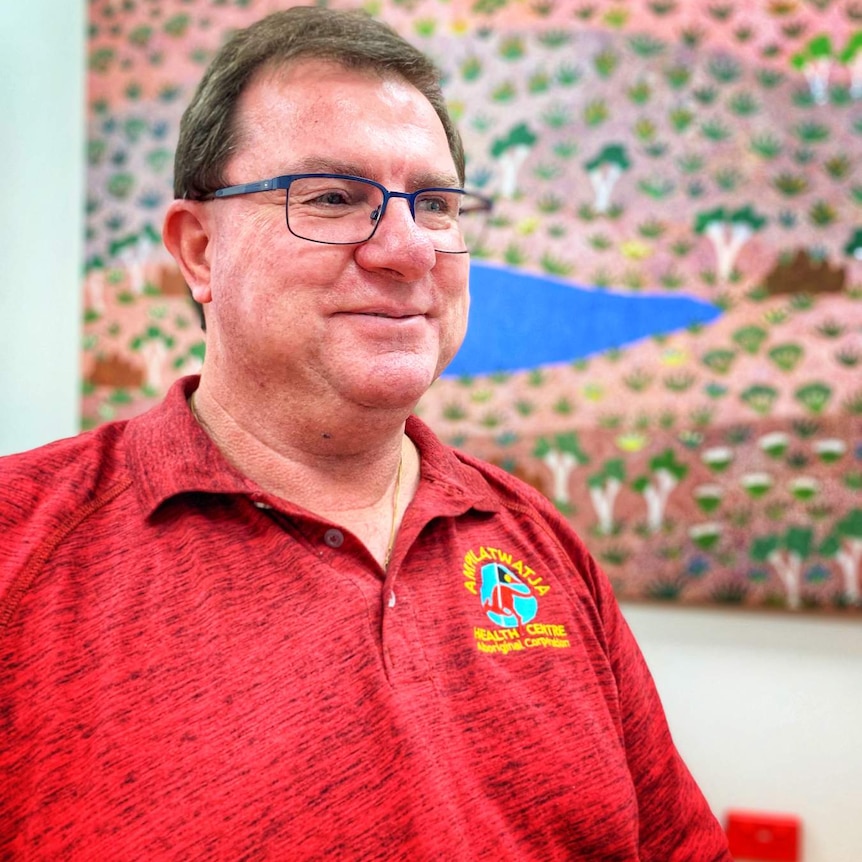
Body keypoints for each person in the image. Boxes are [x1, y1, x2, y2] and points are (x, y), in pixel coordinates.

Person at [0, 6, 732, 860]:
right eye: (334, 198)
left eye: (435, 203)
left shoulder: (539, 546)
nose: (407, 248)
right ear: (199, 250)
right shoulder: (23, 543)